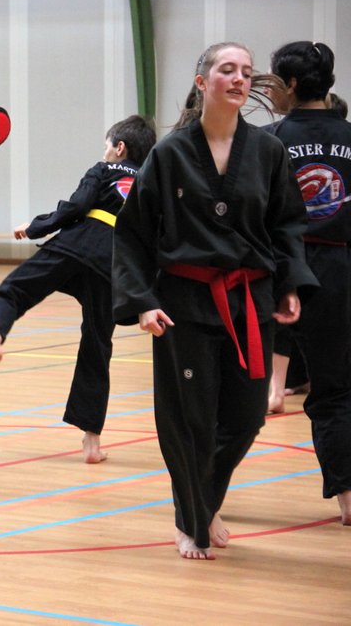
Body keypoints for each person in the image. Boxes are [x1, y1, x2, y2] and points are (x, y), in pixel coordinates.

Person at [113, 42, 316, 560]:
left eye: (247, 72)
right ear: (202, 82)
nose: (239, 78)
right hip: (183, 299)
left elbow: (288, 223)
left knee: (247, 415)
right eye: (227, 69)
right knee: (190, 417)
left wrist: (290, 284)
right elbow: (134, 233)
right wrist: (141, 300)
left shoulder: (268, 152)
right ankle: (192, 516)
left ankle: (205, 496)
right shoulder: (171, 153)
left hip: (250, 297)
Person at [0, 115, 156, 464]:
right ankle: (92, 443)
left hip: (77, 245)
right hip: (114, 265)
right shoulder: (148, 182)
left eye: (107, 145)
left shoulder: (103, 168)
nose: (105, 151)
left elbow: (78, 207)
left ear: (119, 148)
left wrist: (36, 226)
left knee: (12, 292)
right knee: (97, 345)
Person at [264, 41, 351, 524]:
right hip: (340, 270)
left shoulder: (267, 139)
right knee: (336, 390)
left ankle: (202, 506)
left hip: (278, 270)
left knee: (233, 394)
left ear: (291, 85)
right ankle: (347, 500)